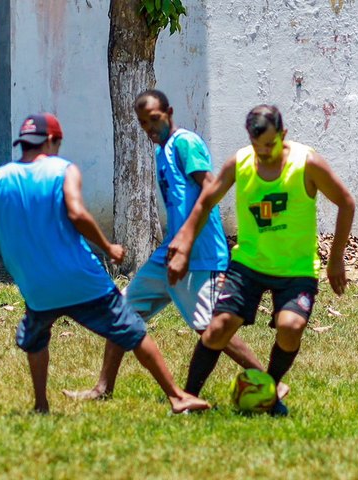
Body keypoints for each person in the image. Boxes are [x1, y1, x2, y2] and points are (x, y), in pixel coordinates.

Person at [0, 112, 209, 414]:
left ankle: (41, 404)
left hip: (37, 285)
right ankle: (177, 396)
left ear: (23, 143)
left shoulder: (2, 176)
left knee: (37, 337)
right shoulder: (63, 170)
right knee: (132, 330)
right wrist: (108, 246)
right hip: (82, 279)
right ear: (53, 141)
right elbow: (77, 213)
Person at [64, 90, 282, 401]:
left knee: (210, 328)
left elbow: (210, 190)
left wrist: (186, 244)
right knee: (122, 312)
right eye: (143, 123)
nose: (149, 128)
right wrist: (175, 245)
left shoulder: (185, 143)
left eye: (154, 119)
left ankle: (272, 383)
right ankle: (103, 389)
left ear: (169, 112)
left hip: (200, 254)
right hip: (169, 253)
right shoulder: (162, 151)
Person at [166, 105, 355, 416]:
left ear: (283, 134)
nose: (264, 152)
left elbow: (346, 202)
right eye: (257, 145)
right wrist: (184, 243)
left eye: (270, 144)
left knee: (290, 327)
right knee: (219, 328)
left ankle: (269, 390)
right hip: (249, 265)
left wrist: (336, 259)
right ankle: (188, 398)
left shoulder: (306, 163)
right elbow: (206, 201)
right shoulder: (239, 163)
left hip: (296, 268)